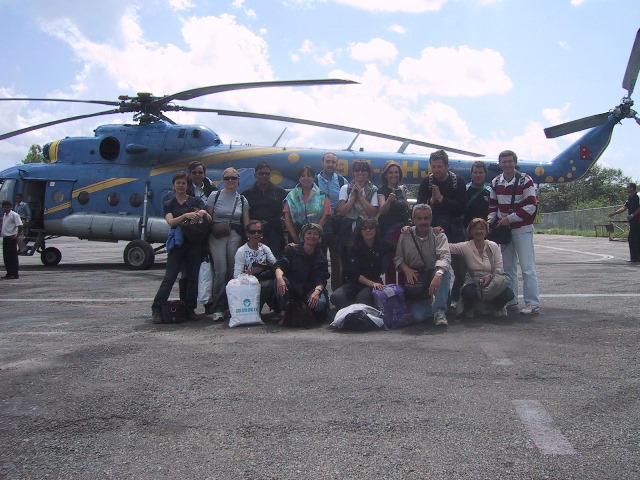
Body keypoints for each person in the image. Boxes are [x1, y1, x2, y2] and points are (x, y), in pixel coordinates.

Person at [151, 172, 211, 322]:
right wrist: (186, 216)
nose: (181, 185)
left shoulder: (196, 201)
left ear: (187, 186)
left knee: (192, 278)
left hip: (194, 243)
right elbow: (171, 222)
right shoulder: (169, 203)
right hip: (178, 245)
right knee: (169, 277)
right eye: (178, 183)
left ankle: (190, 309)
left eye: (184, 183)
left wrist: (202, 212)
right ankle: (157, 308)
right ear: (173, 185)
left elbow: (209, 218)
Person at [488, 149, 540, 315]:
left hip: (522, 229)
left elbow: (531, 206)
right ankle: (511, 299)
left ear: (515, 162)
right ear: (500, 164)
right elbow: (492, 206)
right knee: (508, 267)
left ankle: (532, 302)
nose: (507, 164)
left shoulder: (526, 180)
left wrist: (508, 219)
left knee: (527, 267)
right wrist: (490, 219)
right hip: (505, 230)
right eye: (504, 162)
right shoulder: (496, 182)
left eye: (510, 161)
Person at [416, 150, 467, 307]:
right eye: (433, 166)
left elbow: (461, 208)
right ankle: (430, 301)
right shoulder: (427, 182)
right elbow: (419, 206)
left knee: (460, 269)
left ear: (447, 166)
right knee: (433, 266)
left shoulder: (458, 182)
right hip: (435, 229)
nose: (436, 170)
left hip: (455, 228)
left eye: (439, 166)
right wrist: (431, 200)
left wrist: (442, 199)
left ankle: (453, 299)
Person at [394, 204, 451, 326]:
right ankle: (429, 305)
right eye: (419, 218)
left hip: (433, 273)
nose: (423, 222)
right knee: (418, 317)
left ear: (431, 219)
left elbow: (445, 257)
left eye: (426, 218)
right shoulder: (405, 235)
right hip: (416, 278)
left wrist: (438, 275)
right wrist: (405, 268)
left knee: (444, 272)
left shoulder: (439, 235)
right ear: (413, 219)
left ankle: (439, 310)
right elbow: (398, 258)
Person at [205, 167, 250, 320]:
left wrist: (252, 239)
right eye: (227, 178)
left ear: (238, 180)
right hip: (217, 235)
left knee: (233, 271)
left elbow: (246, 222)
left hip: (234, 235)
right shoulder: (214, 196)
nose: (230, 181)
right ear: (223, 180)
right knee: (220, 271)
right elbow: (208, 217)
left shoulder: (242, 200)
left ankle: (231, 305)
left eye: (233, 178)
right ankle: (217, 306)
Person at [449, 218, 515, 318]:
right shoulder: (465, 246)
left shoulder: (493, 246)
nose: (479, 231)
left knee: (509, 294)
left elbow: (498, 267)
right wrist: (437, 234)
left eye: (481, 229)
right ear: (470, 231)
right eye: (475, 229)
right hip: (473, 282)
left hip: (491, 281)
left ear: (486, 231)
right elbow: (447, 247)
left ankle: (494, 307)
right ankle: (470, 307)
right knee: (468, 293)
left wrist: (490, 276)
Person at [330, 218, 396, 310]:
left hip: (375, 282)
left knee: (362, 299)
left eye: (371, 228)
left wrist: (407, 230)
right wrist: (371, 283)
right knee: (336, 297)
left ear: (376, 230)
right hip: (355, 282)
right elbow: (354, 273)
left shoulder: (383, 245)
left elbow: (398, 249)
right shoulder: (352, 247)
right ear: (360, 232)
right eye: (364, 228)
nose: (368, 230)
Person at [274, 223, 329, 323]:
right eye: (309, 233)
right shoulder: (291, 249)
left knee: (320, 304)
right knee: (280, 281)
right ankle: (285, 312)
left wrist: (317, 291)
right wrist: (279, 278)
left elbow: (322, 278)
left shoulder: (321, 256)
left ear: (319, 237)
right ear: (303, 235)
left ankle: (305, 314)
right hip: (293, 286)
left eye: (315, 234)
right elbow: (280, 265)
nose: (312, 236)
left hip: (310, 288)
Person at [336, 159, 379, 268]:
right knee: (346, 261)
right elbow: (342, 211)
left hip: (365, 228)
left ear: (368, 173)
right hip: (348, 229)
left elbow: (373, 212)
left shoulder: (373, 189)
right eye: (357, 170)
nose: (360, 172)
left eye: (363, 170)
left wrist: (361, 197)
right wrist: (353, 198)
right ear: (353, 172)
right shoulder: (345, 188)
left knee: (364, 261)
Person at [316, 152, 347, 290]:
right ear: (322, 163)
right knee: (318, 261)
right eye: (327, 161)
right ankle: (318, 292)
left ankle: (337, 293)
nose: (330, 164)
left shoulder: (342, 181)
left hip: (337, 226)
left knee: (338, 262)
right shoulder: (313, 180)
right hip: (319, 225)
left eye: (333, 162)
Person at [243, 162, 287, 258]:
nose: (264, 176)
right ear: (255, 175)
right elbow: (245, 216)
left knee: (276, 261)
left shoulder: (280, 192)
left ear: (270, 175)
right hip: (255, 233)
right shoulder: (247, 194)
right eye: (261, 173)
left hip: (275, 233)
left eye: (267, 173)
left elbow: (285, 213)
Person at [233, 220, 278, 314]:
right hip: (247, 284)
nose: (256, 234)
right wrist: (252, 271)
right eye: (253, 232)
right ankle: (255, 310)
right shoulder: (241, 251)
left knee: (279, 281)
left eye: (259, 231)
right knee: (268, 285)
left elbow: (275, 264)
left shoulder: (265, 248)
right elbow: (236, 276)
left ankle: (279, 308)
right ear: (247, 234)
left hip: (264, 278)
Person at [377, 160, 410, 284]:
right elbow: (382, 210)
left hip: (402, 230)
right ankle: (390, 289)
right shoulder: (382, 190)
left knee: (403, 260)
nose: (393, 175)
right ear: (386, 175)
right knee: (390, 261)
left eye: (396, 172)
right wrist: (389, 200)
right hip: (388, 231)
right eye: (390, 172)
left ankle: (403, 289)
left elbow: (406, 208)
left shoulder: (402, 189)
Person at [283, 165, 330, 244]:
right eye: (303, 176)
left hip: (317, 238)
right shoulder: (291, 196)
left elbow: (326, 215)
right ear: (299, 178)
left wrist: (314, 235)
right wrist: (296, 239)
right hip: (296, 237)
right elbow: (287, 218)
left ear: (314, 178)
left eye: (309, 176)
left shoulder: (322, 195)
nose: (306, 178)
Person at [609, 182, 640, 263]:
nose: (627, 189)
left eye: (628, 187)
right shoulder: (630, 198)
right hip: (632, 221)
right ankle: (634, 258)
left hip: (637, 220)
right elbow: (624, 207)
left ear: (632, 188)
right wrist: (614, 213)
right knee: (633, 239)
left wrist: (633, 215)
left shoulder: (638, 197)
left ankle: (635, 258)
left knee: (634, 238)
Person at [1, 200, 23, 279]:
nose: (6, 209)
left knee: (12, 257)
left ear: (11, 207)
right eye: (5, 207)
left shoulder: (14, 215)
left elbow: (20, 226)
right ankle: (9, 273)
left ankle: (14, 273)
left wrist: (17, 236)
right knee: (6, 257)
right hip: (5, 238)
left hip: (11, 238)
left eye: (8, 207)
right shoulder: (5, 215)